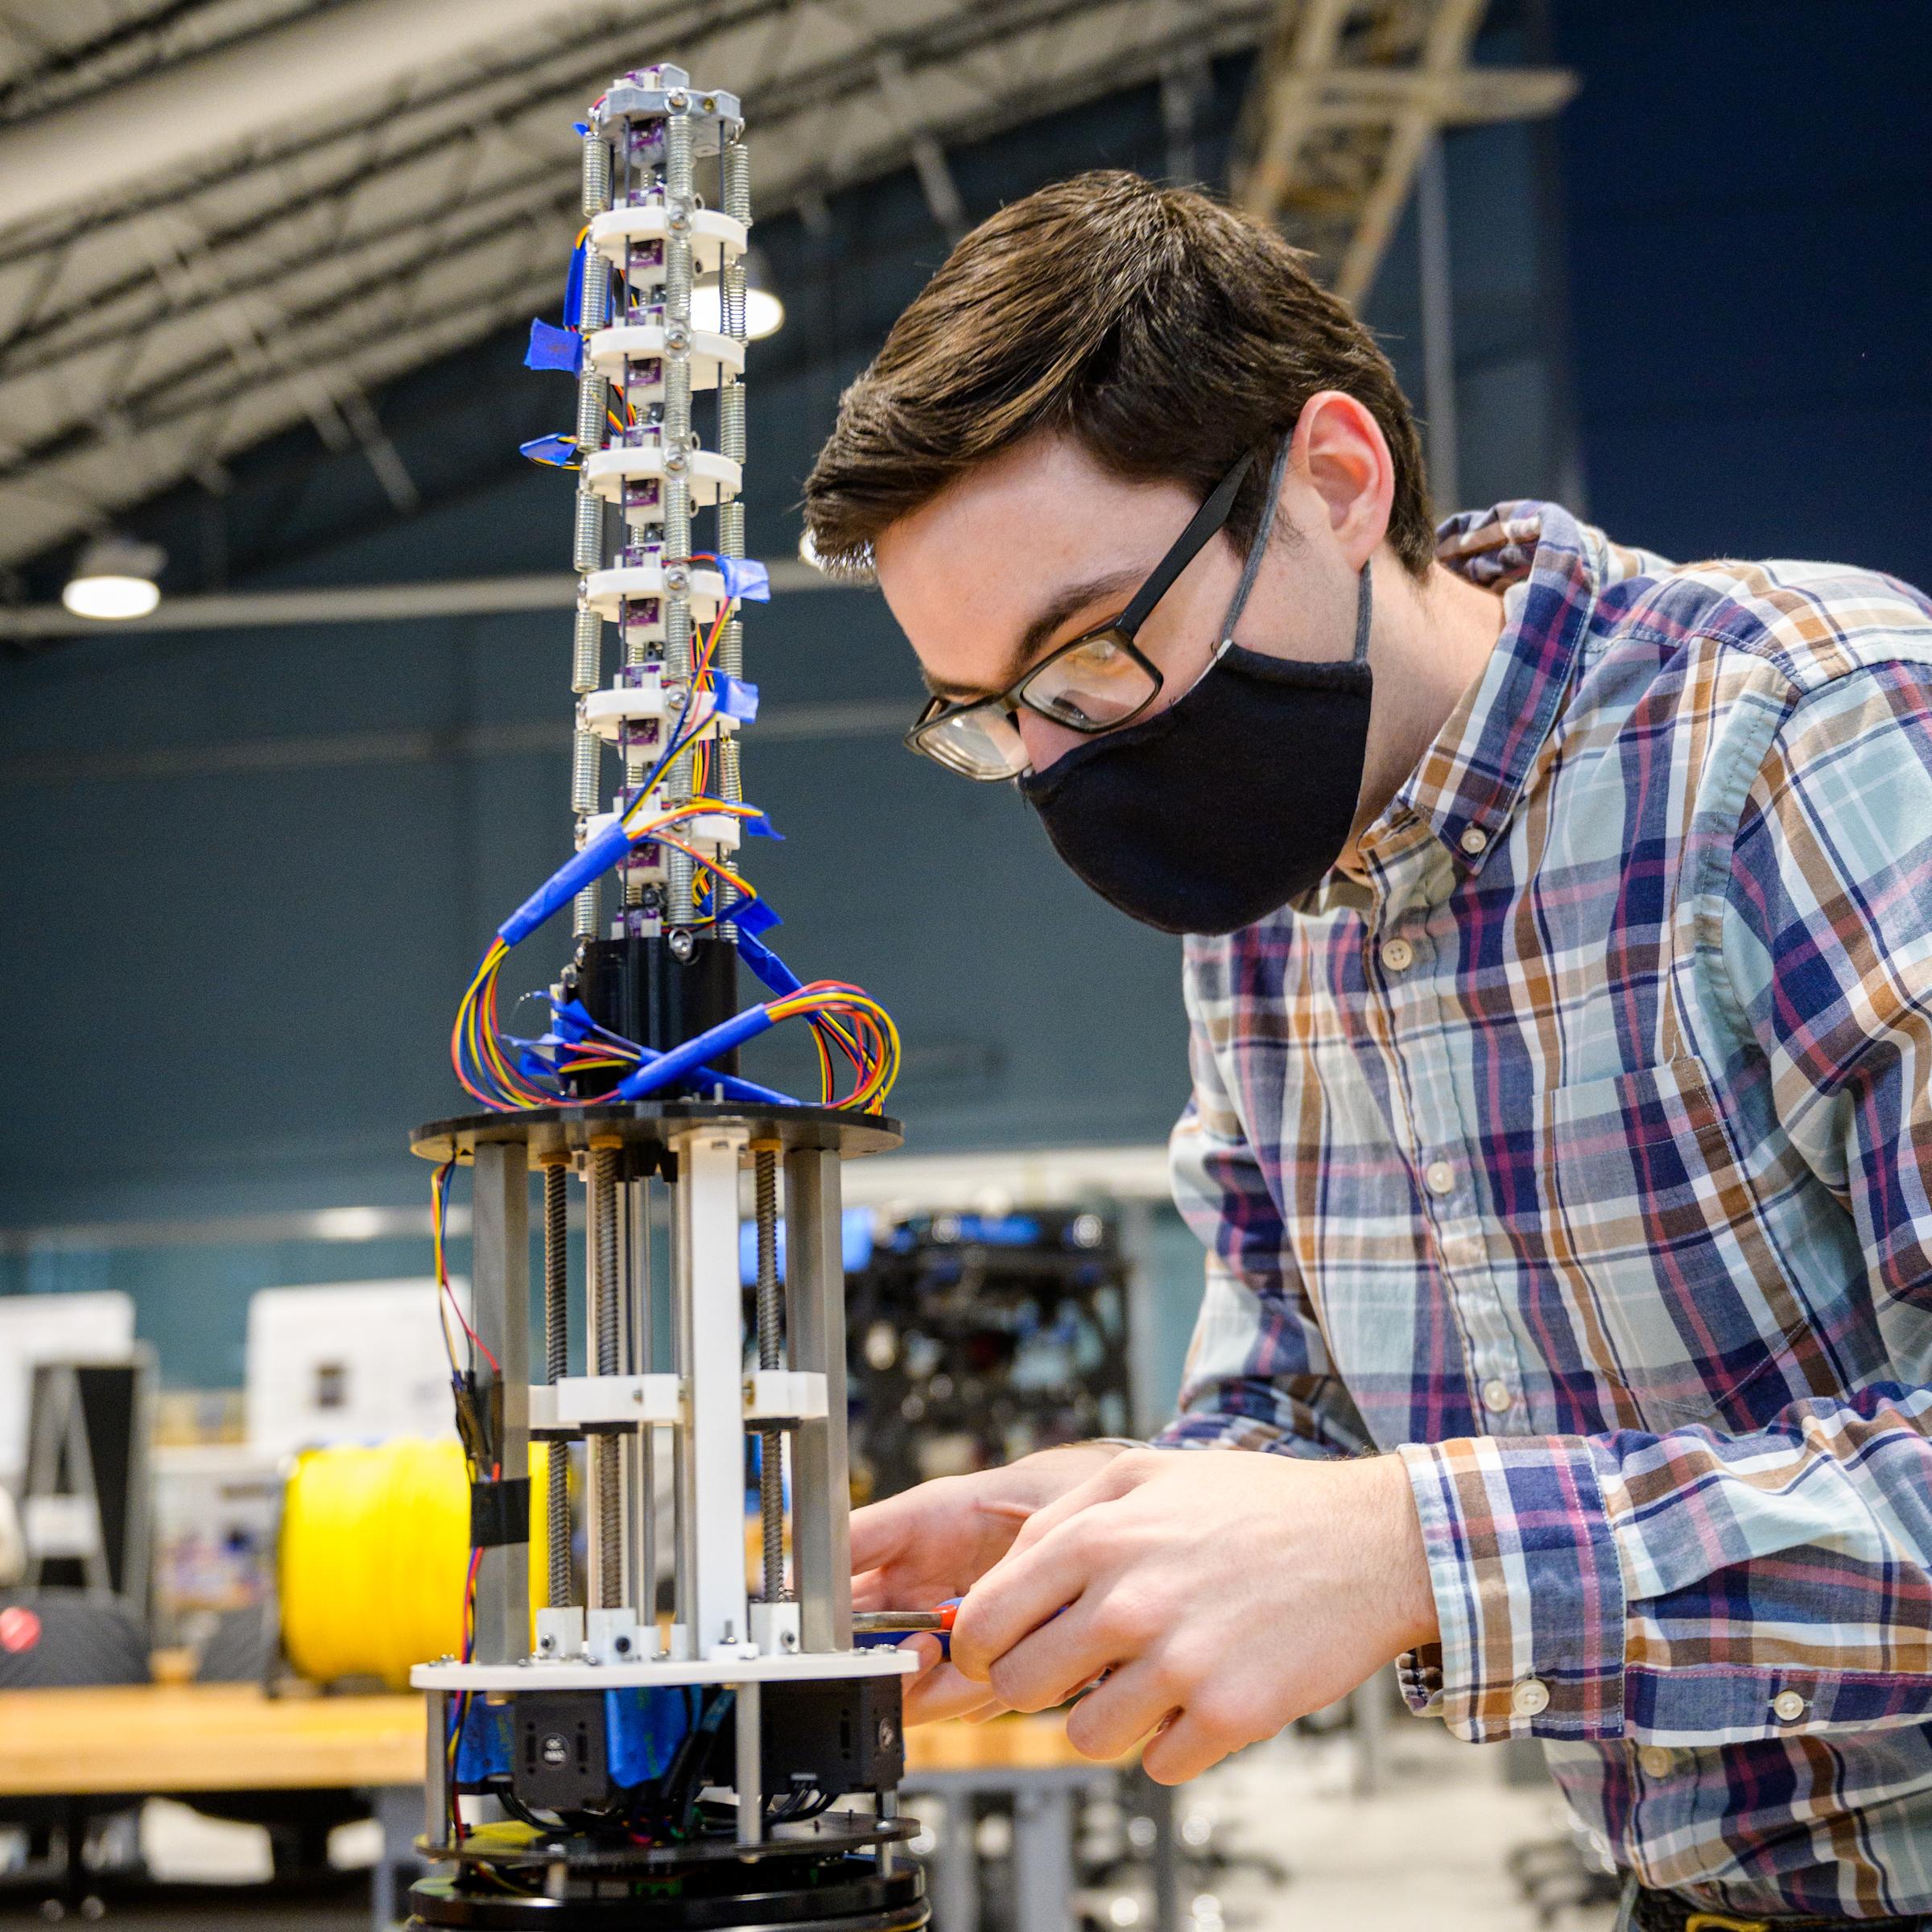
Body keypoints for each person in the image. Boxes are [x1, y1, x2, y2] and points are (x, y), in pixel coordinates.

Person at [801, 170, 1932, 1927]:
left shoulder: (1803, 730)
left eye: (1091, 656)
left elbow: (1404, 1525)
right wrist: (1121, 1522)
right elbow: (1305, 1416)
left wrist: (1415, 1550)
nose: (1061, 761)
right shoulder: (1266, 920)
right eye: (994, 718)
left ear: (1334, 482)